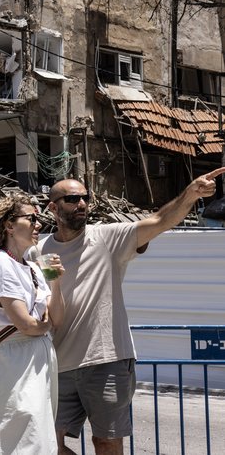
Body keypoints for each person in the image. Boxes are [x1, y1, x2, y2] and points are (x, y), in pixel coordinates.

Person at [39, 169, 225, 455]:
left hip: (107, 360)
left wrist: (190, 195)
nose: (82, 204)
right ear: (53, 207)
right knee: (47, 443)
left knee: (106, 442)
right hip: (57, 364)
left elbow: (159, 221)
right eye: (72, 199)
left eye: (85, 197)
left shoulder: (106, 237)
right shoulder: (39, 250)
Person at [0, 193, 65, 454]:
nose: (39, 224)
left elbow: (57, 318)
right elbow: (26, 324)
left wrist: (56, 282)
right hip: (15, 357)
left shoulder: (33, 267)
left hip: (38, 356)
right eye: (32, 218)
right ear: (9, 225)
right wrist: (43, 326)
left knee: (39, 435)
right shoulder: (0, 264)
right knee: (18, 433)